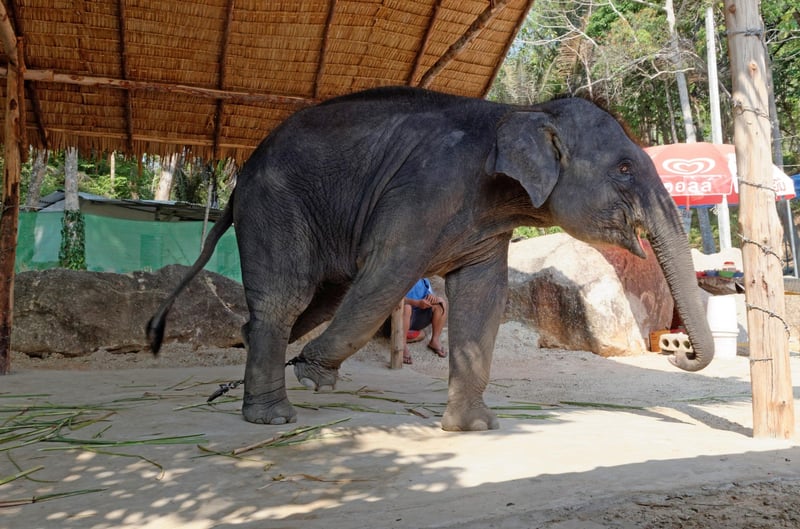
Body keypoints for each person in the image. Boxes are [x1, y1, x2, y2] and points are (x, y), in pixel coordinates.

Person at [401, 278, 448, 365]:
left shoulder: (424, 280)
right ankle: (402, 345)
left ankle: (435, 340)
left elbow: (430, 296)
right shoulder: (401, 278)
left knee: (441, 304)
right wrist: (416, 303)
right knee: (406, 308)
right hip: (401, 319)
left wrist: (433, 298)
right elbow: (395, 300)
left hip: (416, 318)